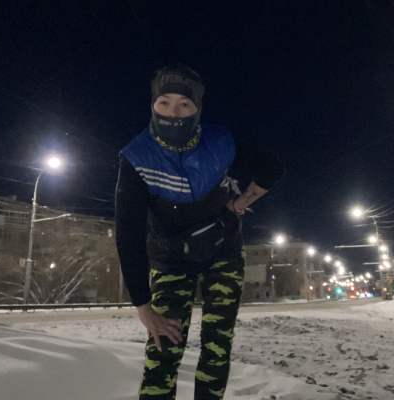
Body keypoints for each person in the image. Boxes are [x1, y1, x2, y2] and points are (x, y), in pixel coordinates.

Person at [115, 64, 284, 400]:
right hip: (170, 260)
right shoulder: (137, 158)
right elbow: (128, 234)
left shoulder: (219, 141)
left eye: (184, 104)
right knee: (163, 351)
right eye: (164, 102)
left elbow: (272, 167)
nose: (174, 113)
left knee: (217, 347)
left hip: (223, 252)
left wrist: (240, 203)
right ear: (153, 104)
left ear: (197, 108)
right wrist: (144, 308)